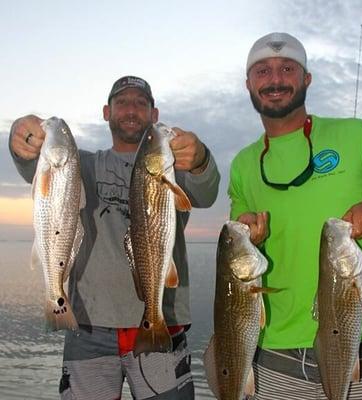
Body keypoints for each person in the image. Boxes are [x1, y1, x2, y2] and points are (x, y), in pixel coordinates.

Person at [9, 75, 220, 400]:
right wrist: (22, 142)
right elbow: (37, 171)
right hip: (88, 324)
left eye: (140, 102)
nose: (131, 109)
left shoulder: (173, 167)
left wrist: (201, 159)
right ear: (107, 112)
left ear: (155, 114)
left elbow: (207, 192)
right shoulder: (82, 163)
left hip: (160, 323)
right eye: (122, 102)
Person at [228, 32, 362, 399]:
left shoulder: (359, 136)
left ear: (306, 78)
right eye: (263, 71)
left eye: (287, 68)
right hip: (276, 352)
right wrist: (247, 234)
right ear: (248, 84)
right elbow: (238, 234)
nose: (275, 80)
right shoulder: (243, 164)